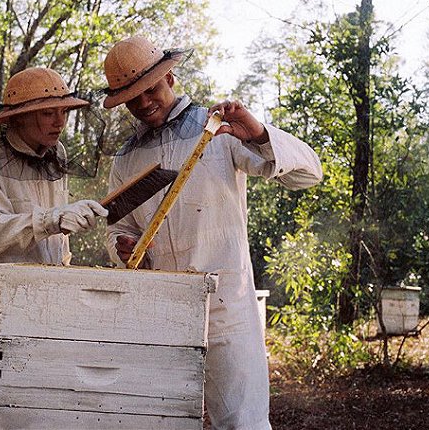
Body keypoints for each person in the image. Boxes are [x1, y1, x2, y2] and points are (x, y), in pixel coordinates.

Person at [102, 35, 323, 429]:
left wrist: (256, 133)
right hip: (163, 308)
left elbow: (309, 173)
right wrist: (123, 246)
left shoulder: (219, 130)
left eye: (150, 89)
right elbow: (119, 225)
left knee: (243, 422)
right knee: (164, 421)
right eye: (132, 98)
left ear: (170, 77)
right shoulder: (127, 157)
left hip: (226, 305)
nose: (143, 103)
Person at [0, 67, 108, 429]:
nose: (59, 121)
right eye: (48, 112)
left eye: (64, 111)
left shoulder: (57, 153)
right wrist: (53, 218)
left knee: (41, 404)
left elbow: (56, 237)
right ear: (20, 116)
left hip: (48, 300)